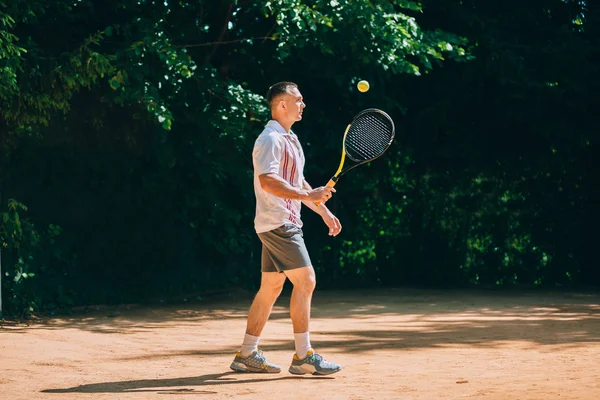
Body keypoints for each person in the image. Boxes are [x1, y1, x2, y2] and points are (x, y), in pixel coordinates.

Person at [229, 82, 343, 375]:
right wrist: (308, 196)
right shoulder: (270, 139)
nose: (303, 104)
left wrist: (323, 211)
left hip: (282, 221)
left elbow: (299, 182)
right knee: (306, 281)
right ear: (282, 105)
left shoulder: (290, 139)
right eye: (299, 100)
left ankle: (246, 354)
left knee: (271, 287)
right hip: (278, 222)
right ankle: (304, 356)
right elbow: (267, 181)